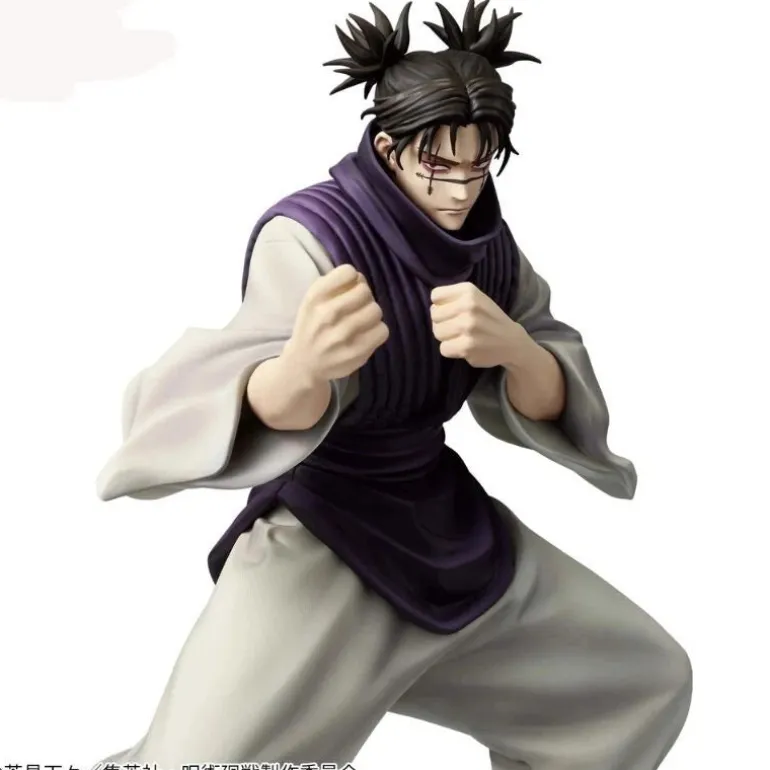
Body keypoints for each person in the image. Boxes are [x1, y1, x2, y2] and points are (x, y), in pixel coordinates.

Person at [94, 2, 692, 767]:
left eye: (477, 166)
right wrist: (302, 369)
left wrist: (515, 350)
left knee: (639, 681)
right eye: (438, 166)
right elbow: (234, 393)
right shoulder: (312, 237)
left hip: (448, 529)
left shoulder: (488, 246)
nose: (460, 191)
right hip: (322, 536)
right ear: (389, 147)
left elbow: (551, 384)